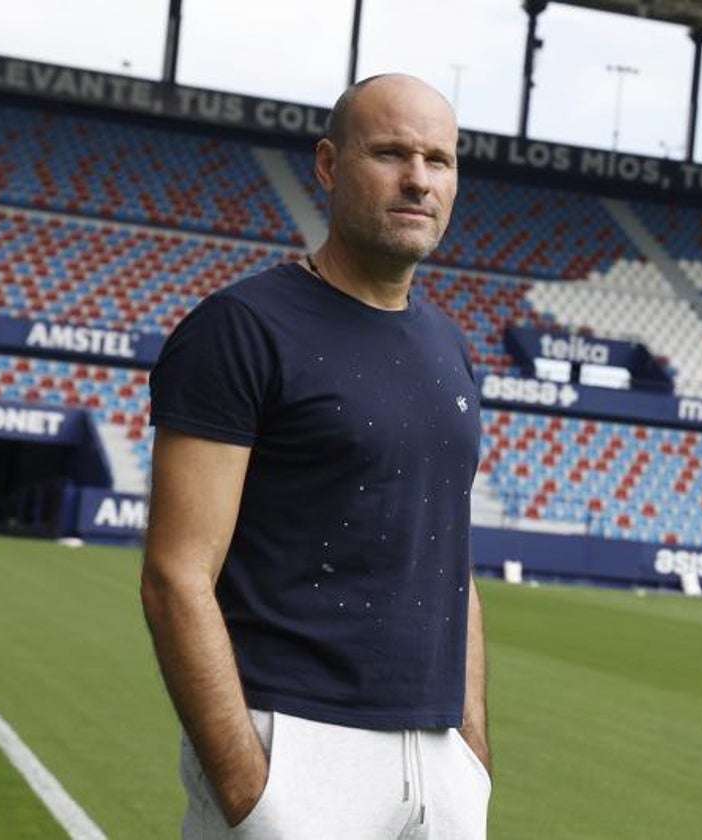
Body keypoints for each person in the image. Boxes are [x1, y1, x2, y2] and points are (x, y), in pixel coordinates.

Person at [140, 74, 490, 839]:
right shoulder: (241, 329)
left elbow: (451, 565)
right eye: (392, 152)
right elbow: (176, 574)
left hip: (439, 766)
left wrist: (471, 752)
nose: (418, 179)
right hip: (294, 747)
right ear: (329, 166)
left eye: (439, 159)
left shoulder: (451, 347)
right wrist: (251, 789)